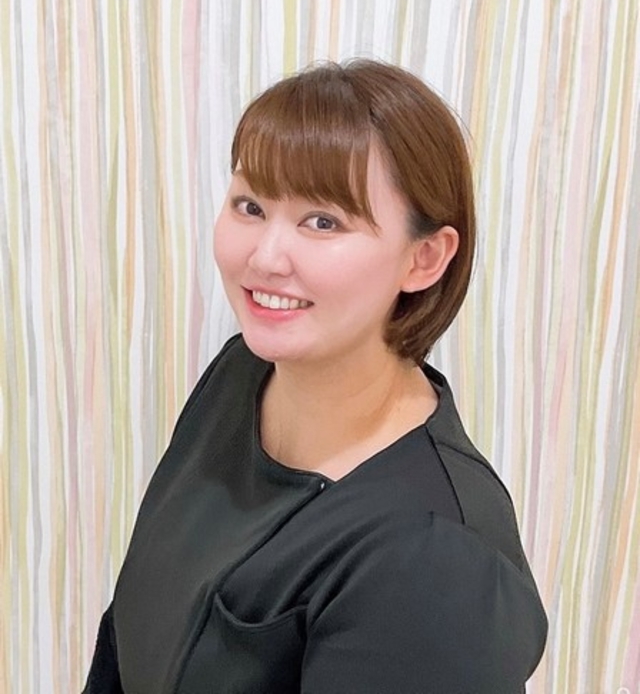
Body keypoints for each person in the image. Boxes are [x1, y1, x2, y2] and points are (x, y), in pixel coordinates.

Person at [84, 60, 547, 693]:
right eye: (250, 206)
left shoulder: (439, 562)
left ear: (424, 258)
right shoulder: (241, 375)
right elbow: (129, 632)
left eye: (323, 221)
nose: (265, 257)